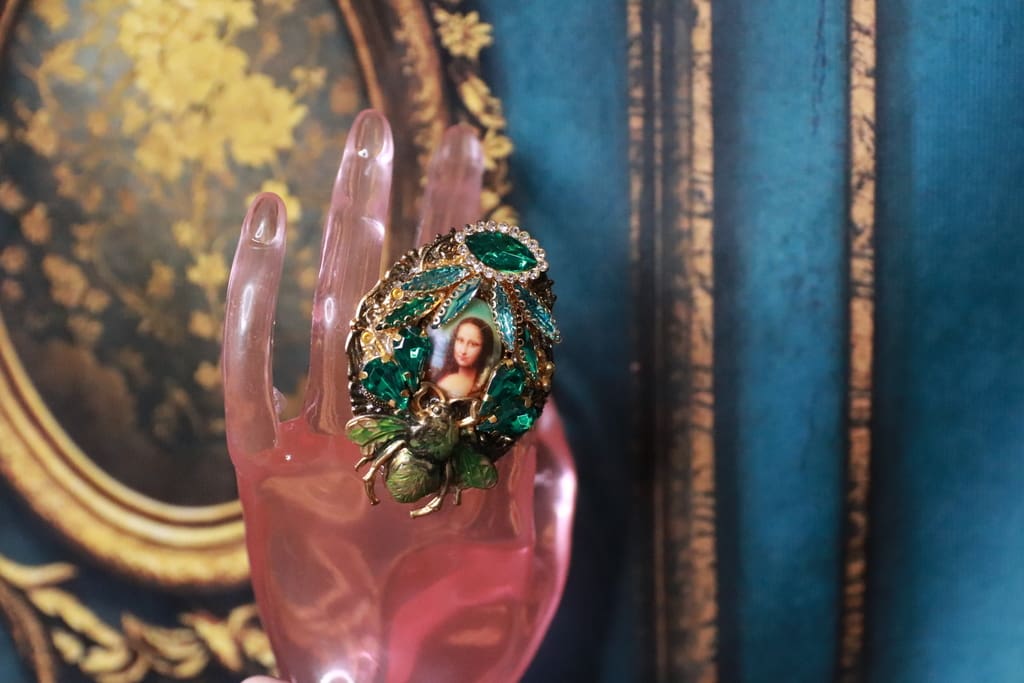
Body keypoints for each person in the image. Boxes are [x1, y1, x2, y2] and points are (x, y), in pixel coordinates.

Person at [434, 317, 494, 399]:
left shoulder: (483, 385)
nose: (463, 351)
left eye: (473, 344)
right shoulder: (448, 378)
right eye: (460, 340)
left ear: (484, 349)